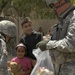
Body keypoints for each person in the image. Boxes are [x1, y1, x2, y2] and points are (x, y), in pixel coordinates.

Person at [37, 0, 75, 75]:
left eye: (52, 6)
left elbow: (71, 43)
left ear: (60, 2)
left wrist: (48, 44)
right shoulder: (66, 18)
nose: (52, 9)